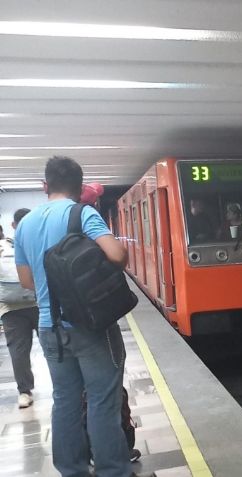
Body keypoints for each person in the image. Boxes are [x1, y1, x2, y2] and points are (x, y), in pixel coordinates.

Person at [15, 156, 132, 477]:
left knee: (64, 401)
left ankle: (72, 470)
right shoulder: (82, 214)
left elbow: (27, 281)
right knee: (101, 401)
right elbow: (117, 255)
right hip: (91, 326)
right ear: (80, 189)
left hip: (49, 328)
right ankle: (112, 471)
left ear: (44, 186)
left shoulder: (25, 224)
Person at [0, 208, 39, 408]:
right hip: (39, 303)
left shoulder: (2, 247)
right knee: (55, 347)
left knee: (18, 351)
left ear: (13, 225)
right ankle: (63, 383)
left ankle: (25, 392)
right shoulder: (37, 242)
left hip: (10, 308)